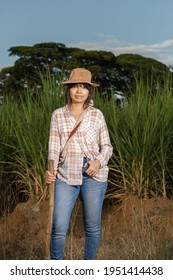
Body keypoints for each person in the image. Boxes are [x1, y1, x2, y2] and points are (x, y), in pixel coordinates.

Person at [45, 68, 113, 260]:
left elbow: (107, 146)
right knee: (59, 226)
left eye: (83, 87)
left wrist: (98, 162)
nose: (79, 91)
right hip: (66, 175)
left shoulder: (97, 115)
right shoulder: (58, 115)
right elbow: (53, 148)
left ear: (89, 91)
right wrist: (50, 171)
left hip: (94, 175)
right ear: (68, 90)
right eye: (75, 86)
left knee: (91, 226)